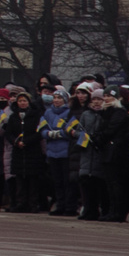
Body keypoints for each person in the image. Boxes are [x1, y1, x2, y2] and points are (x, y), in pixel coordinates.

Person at [78, 86, 129, 222]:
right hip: (106, 152)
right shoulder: (106, 112)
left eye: (109, 96)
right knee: (109, 184)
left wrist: (97, 138)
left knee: (115, 184)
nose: (106, 99)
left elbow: (110, 130)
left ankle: (117, 212)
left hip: (116, 153)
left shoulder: (119, 112)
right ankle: (111, 211)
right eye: (105, 96)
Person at [39, 84, 83, 216]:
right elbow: (41, 128)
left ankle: (70, 207)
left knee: (67, 181)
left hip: (65, 152)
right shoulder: (47, 112)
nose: (57, 100)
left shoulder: (69, 113)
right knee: (56, 181)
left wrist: (60, 134)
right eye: (55, 98)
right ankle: (59, 205)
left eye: (59, 98)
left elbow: (72, 129)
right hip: (52, 152)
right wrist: (48, 134)